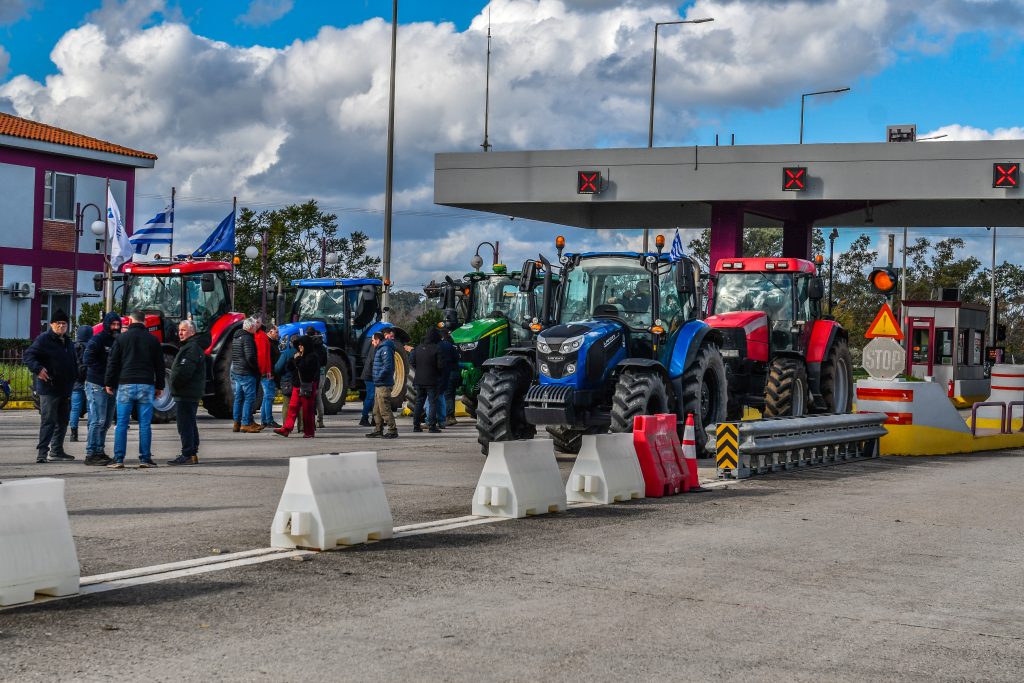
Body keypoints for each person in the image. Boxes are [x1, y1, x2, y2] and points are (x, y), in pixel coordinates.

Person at [105, 310, 165, 469]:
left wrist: (109, 382)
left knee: (122, 424)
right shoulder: (153, 340)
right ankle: (145, 459)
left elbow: (113, 363)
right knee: (145, 424)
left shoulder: (121, 338)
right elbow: (160, 365)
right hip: (146, 385)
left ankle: (118, 459)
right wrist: (160, 386)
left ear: (130, 321)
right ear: (144, 322)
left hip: (125, 384)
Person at [23, 309, 78, 463]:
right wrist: (38, 369)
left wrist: (76, 375)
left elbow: (73, 361)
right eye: (58, 323)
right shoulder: (44, 339)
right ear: (52, 324)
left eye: (64, 323)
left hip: (65, 388)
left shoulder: (68, 341)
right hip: (49, 388)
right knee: (48, 421)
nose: (61, 326)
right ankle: (42, 453)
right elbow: (28, 356)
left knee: (63, 421)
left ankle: (57, 450)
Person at [82, 312, 121, 465]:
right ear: (106, 324)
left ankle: (100, 450)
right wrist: (105, 375)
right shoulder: (97, 340)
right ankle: (91, 453)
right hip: (96, 384)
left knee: (106, 422)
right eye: (113, 324)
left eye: (118, 324)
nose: (116, 327)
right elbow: (88, 360)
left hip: (111, 386)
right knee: (98, 420)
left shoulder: (118, 341)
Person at [167, 320, 205, 466]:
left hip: (186, 393)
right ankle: (192, 452)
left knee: (184, 425)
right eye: (179, 330)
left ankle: (187, 453)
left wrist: (174, 384)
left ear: (192, 332)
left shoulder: (191, 349)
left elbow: (184, 372)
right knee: (189, 422)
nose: (180, 333)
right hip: (188, 392)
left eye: (183, 330)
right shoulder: (190, 347)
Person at [273, 335, 321, 438]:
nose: (299, 347)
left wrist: (298, 360)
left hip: (308, 386)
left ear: (306, 346)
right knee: (292, 407)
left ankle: (309, 432)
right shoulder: (298, 355)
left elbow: (305, 371)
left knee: (307, 411)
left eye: (301, 345)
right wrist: (293, 360)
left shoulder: (312, 357)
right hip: (297, 385)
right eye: (299, 345)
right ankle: (286, 429)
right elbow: (290, 368)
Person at [231, 317, 262, 433]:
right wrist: (256, 368)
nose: (256, 328)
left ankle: (236, 422)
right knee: (249, 398)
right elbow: (250, 356)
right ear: (250, 327)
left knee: (239, 398)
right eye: (254, 326)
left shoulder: (236, 337)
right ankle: (246, 423)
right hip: (247, 372)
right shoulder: (248, 338)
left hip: (237, 371)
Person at [367, 328, 398, 439]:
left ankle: (392, 430)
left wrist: (378, 376)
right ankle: (378, 429)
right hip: (379, 384)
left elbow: (388, 366)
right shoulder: (380, 348)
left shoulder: (385, 348)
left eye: (373, 340)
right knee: (376, 410)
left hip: (384, 384)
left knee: (384, 408)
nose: (372, 343)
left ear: (377, 340)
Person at [411, 327, 443, 433]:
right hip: (432, 380)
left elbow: (412, 362)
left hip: (419, 379)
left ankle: (416, 426)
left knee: (419, 402)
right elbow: (440, 366)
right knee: (432, 402)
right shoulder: (437, 348)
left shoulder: (418, 348)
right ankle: (432, 426)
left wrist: (420, 369)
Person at [68, 324, 93, 442]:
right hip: (90, 381)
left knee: (75, 409)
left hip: (76, 381)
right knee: (91, 408)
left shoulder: (73, 347)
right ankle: (90, 433)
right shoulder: (92, 346)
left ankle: (73, 434)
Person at [255, 321, 277, 429]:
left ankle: (265, 420)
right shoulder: (264, 340)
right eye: (276, 332)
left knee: (266, 397)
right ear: (270, 331)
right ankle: (268, 420)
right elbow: (265, 358)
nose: (278, 334)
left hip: (266, 372)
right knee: (269, 396)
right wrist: (267, 372)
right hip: (267, 373)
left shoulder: (265, 339)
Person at [358, 333, 382, 427]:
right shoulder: (376, 348)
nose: (372, 342)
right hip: (370, 376)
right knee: (371, 396)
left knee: (372, 397)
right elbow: (373, 363)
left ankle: (373, 418)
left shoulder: (375, 347)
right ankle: (364, 418)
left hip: (370, 375)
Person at [438, 329, 460, 427]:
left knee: (447, 395)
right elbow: (457, 358)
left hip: (448, 372)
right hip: (455, 371)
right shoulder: (453, 345)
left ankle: (449, 417)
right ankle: (451, 416)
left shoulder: (442, 345)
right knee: (451, 394)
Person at [307, 327, 328, 429]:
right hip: (322, 374)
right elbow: (325, 361)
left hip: (312, 374)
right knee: (319, 396)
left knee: (310, 399)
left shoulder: (309, 346)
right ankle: (320, 420)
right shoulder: (324, 347)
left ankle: (310, 421)